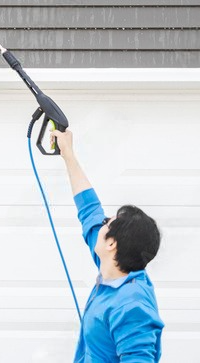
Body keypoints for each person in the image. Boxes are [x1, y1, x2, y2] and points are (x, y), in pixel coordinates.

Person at [50, 128, 164, 363]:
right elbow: (89, 210)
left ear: (111, 243)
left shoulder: (132, 305)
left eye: (106, 222)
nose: (100, 223)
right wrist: (68, 155)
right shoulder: (114, 270)